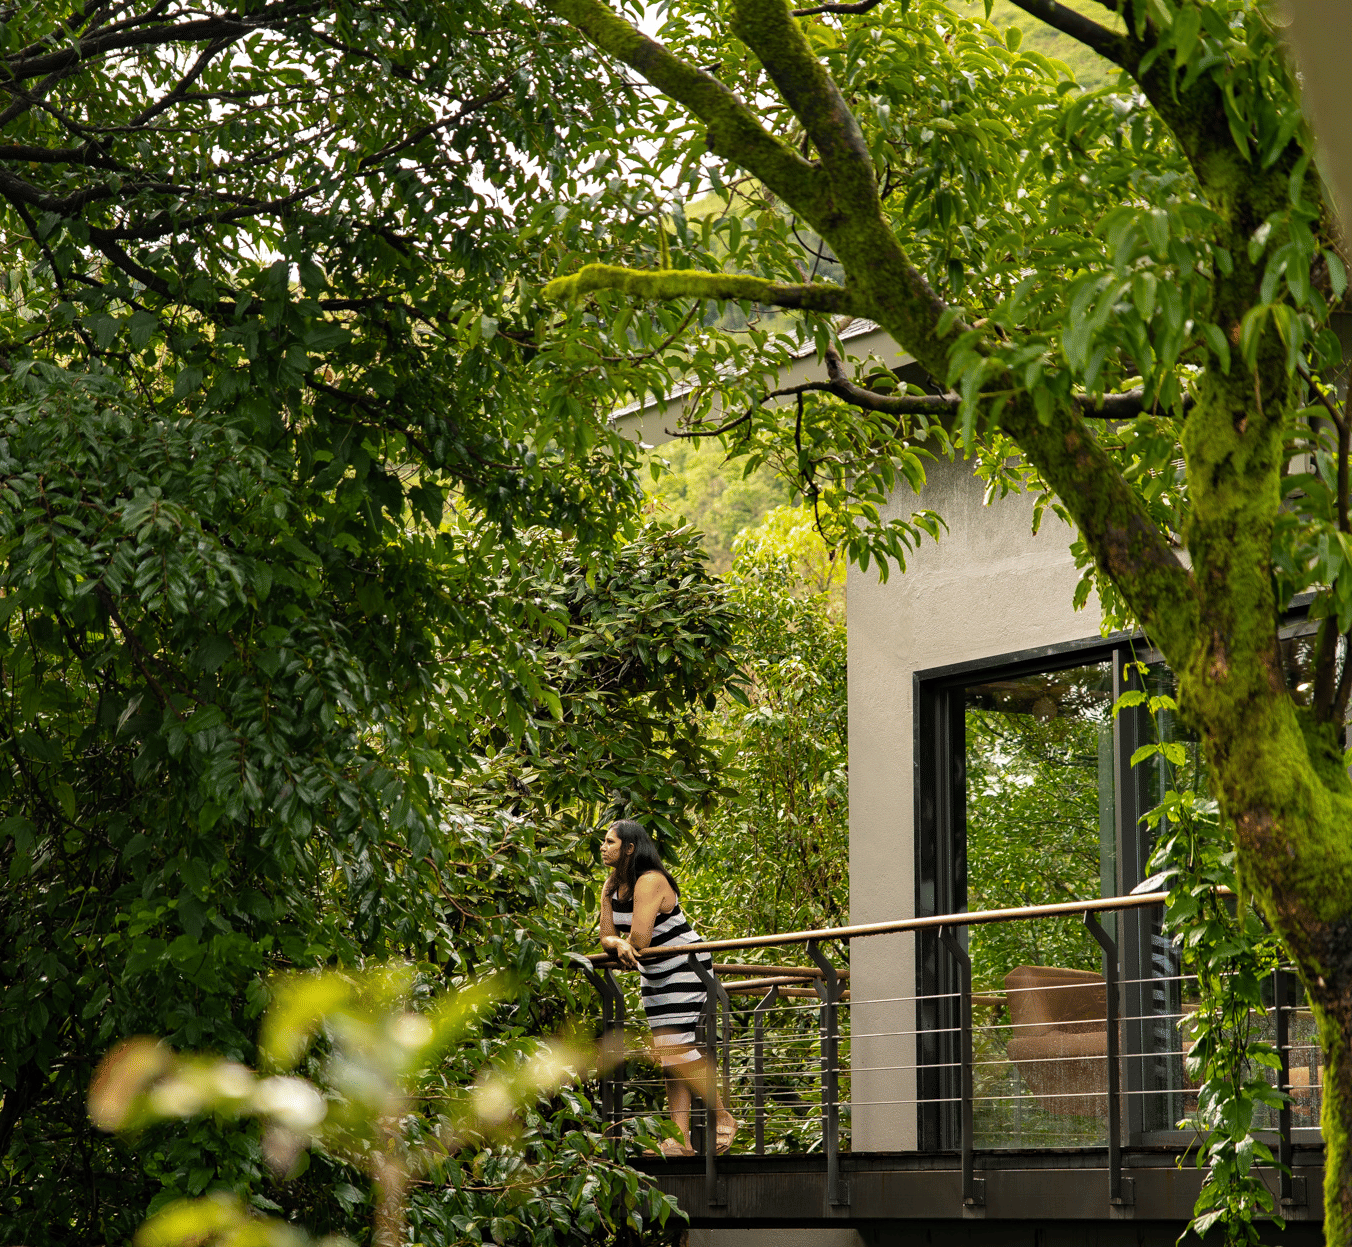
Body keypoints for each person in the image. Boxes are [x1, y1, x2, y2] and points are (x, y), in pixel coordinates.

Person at [599, 818, 738, 1157]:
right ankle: (679, 1140)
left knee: (674, 1048)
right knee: (669, 1055)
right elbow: (605, 937)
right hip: (654, 973)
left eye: (610, 842)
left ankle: (723, 1116)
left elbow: (641, 939)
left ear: (630, 848)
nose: (603, 848)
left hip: (684, 967)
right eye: (603, 842)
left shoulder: (650, 881)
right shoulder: (611, 885)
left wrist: (623, 944)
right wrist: (616, 943)